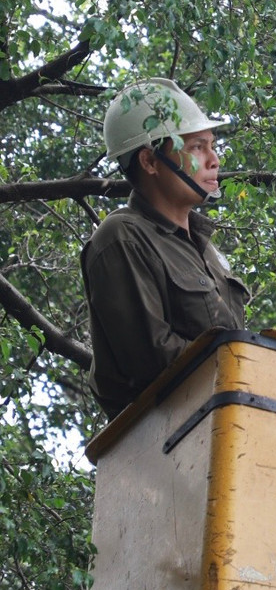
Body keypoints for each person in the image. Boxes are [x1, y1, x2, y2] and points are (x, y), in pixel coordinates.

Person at [82, 78, 248, 419]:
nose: (214, 160)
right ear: (150, 162)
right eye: (196, 147)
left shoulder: (206, 251)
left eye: (212, 145)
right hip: (163, 441)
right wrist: (249, 369)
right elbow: (152, 363)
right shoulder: (123, 237)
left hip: (221, 425)